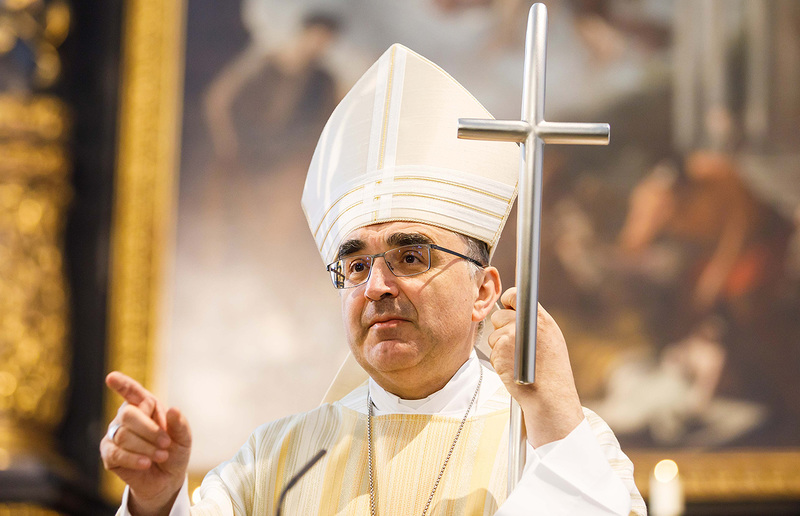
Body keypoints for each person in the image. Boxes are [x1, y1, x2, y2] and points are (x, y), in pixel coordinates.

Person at [101, 44, 646, 515]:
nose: (376, 287)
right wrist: (157, 501)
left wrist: (552, 414)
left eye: (410, 257)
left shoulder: (556, 441)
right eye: (357, 266)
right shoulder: (275, 460)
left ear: (483, 292)